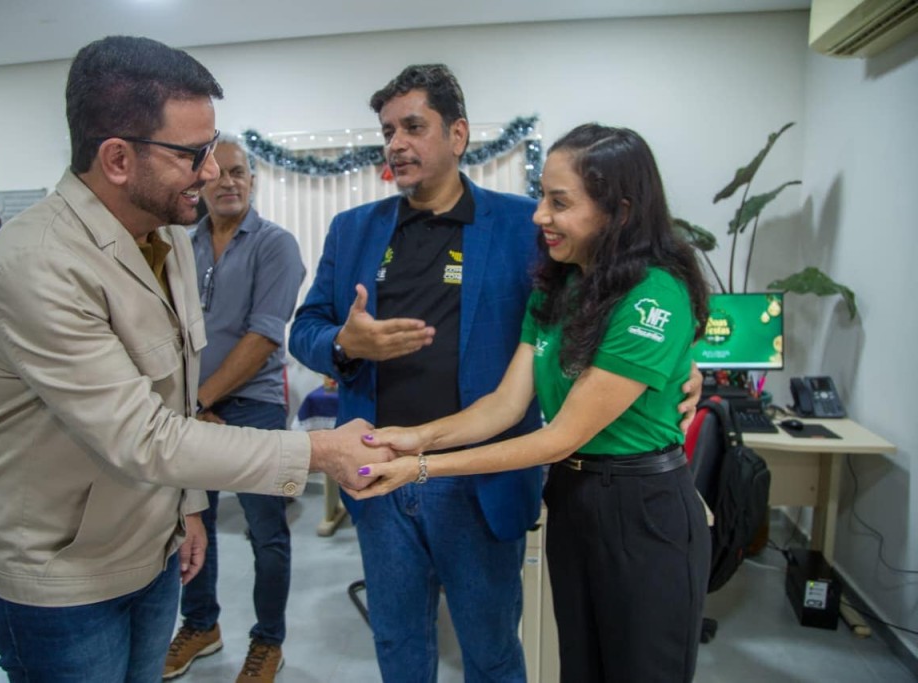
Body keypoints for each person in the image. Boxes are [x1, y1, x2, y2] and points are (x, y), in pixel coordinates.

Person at [0, 35, 388, 683]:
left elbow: (179, 391)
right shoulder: (40, 260)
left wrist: (186, 505)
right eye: (192, 154)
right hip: (62, 579)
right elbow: (142, 434)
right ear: (117, 158)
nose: (212, 172)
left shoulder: (165, 238)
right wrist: (321, 451)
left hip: (150, 550)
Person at [290, 66, 701, 682]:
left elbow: (629, 287)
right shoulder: (354, 230)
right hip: (384, 468)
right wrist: (345, 345)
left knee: (493, 651)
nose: (396, 143)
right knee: (400, 644)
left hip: (486, 485)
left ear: (457, 134)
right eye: (387, 131)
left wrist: (681, 361)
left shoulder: (522, 226)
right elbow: (305, 330)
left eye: (413, 127)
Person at [164, 138, 305, 682]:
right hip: (191, 409)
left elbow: (264, 335)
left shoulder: (275, 244)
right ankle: (201, 626)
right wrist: (188, 406)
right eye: (217, 173)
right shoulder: (181, 245)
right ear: (199, 182)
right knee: (190, 523)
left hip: (254, 409)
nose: (228, 182)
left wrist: (200, 401)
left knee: (266, 534)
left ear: (252, 180)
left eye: (239, 172)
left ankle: (268, 641)